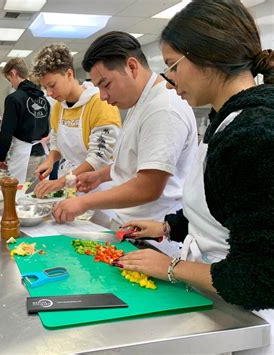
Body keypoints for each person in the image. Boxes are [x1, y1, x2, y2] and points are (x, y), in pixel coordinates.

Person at [115, 1, 273, 353]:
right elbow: (228, 210)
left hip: (250, 322)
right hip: (220, 305)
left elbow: (261, 278)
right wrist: (169, 227)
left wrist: (170, 266)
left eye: (173, 64)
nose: (170, 79)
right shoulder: (225, 119)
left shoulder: (254, 134)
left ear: (207, 56)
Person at [52, 32, 198, 228]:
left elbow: (149, 187)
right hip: (130, 223)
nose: (103, 96)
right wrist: (100, 175)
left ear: (131, 67)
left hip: (155, 232)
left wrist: (82, 202)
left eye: (106, 85)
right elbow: (137, 162)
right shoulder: (140, 103)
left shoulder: (163, 108)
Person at [32, 43, 122, 198]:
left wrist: (60, 182)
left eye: (52, 85)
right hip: (70, 180)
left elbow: (99, 158)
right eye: (45, 87)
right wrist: (50, 160)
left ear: (68, 74)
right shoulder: (59, 107)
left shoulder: (100, 103)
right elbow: (56, 141)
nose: (49, 93)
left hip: (99, 186)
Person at [0, 57, 50, 183]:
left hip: (24, 158)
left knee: (19, 194)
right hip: (42, 155)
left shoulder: (13, 99)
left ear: (13, 73)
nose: (11, 84)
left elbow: (6, 133)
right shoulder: (44, 100)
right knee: (38, 195)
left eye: (9, 79)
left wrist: (2, 157)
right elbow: (46, 130)